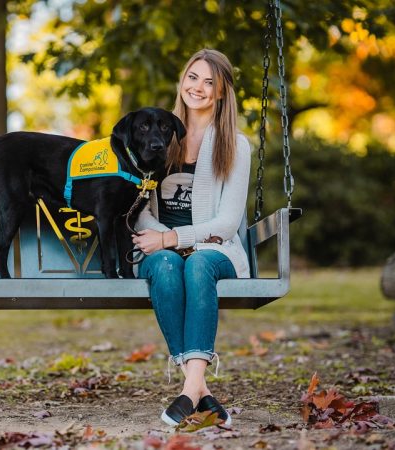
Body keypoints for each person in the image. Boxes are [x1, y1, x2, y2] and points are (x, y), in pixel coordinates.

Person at [132, 48, 251, 427]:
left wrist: (175, 239)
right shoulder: (155, 136)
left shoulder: (236, 144)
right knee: (166, 265)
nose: (198, 87)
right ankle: (199, 391)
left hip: (215, 249)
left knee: (197, 262)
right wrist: (165, 240)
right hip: (157, 246)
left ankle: (189, 387)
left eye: (209, 82)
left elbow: (228, 222)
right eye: (193, 77)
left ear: (221, 93)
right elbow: (138, 209)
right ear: (182, 80)